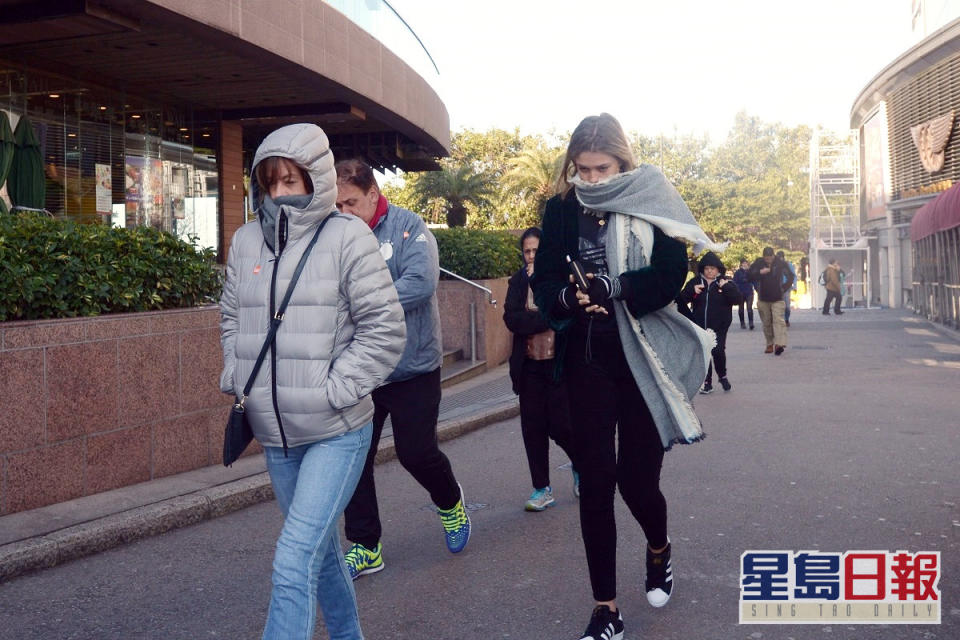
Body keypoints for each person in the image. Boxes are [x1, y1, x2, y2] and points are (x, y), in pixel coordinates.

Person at [531, 113, 719, 640]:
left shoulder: (650, 197)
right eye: (582, 170)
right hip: (589, 361)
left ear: (623, 162)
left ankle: (658, 551)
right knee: (596, 482)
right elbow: (545, 280)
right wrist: (570, 297)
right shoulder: (562, 210)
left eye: (602, 168)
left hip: (644, 358)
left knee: (639, 484)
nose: (591, 180)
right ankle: (605, 608)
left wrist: (615, 288)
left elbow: (668, 276)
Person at [219, 124, 405, 640]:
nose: (279, 193)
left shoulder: (349, 236)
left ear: (315, 180)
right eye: (270, 182)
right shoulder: (245, 240)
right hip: (276, 436)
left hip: (337, 431)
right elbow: (231, 317)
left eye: (290, 181)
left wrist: (334, 391)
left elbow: (385, 330)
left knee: (293, 556)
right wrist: (238, 378)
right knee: (319, 555)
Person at [335, 158, 471, 581]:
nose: (343, 212)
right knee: (354, 460)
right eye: (336, 204)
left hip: (413, 368)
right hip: (361, 371)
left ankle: (450, 503)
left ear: (373, 194)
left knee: (416, 454)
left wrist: (365, 301)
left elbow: (420, 282)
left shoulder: (409, 227)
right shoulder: (334, 237)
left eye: (351, 203)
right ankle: (365, 545)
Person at [503, 227, 579, 511]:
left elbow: (566, 313)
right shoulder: (518, 281)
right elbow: (512, 318)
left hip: (558, 366)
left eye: (536, 250)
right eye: (527, 251)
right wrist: (544, 320)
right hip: (529, 367)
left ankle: (580, 464)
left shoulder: (560, 279)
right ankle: (541, 489)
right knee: (532, 428)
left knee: (562, 426)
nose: (531, 256)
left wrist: (543, 316)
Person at [678, 251, 742, 393]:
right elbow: (681, 300)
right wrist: (692, 291)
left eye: (713, 268)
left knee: (718, 351)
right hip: (700, 326)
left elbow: (737, 299)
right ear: (702, 269)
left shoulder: (725, 282)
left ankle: (722, 375)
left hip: (720, 326)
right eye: (707, 268)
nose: (710, 271)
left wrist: (726, 287)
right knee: (704, 353)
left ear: (718, 269)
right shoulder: (695, 282)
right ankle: (707, 382)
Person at [748, 247, 794, 356]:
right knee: (766, 322)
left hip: (778, 297)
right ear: (763, 257)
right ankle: (769, 343)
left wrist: (783, 288)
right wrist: (760, 272)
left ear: (773, 256)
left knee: (778, 320)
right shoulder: (758, 263)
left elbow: (791, 276)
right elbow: (749, 276)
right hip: (763, 298)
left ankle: (779, 344)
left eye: (770, 258)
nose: (768, 260)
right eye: (766, 258)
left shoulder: (780, 263)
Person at [732, 258, 755, 330]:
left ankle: (751, 323)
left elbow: (754, 281)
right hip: (740, 292)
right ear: (741, 264)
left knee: (749, 308)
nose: (745, 264)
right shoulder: (738, 272)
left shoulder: (750, 272)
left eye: (746, 263)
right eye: (743, 263)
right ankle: (742, 323)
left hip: (749, 292)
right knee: (741, 309)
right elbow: (734, 282)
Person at [776, 250, 797, 327]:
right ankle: (781, 320)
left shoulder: (788, 264)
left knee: (787, 306)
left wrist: (795, 286)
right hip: (777, 288)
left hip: (786, 287)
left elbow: (794, 275)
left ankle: (786, 318)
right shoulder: (775, 265)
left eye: (781, 257)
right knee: (778, 305)